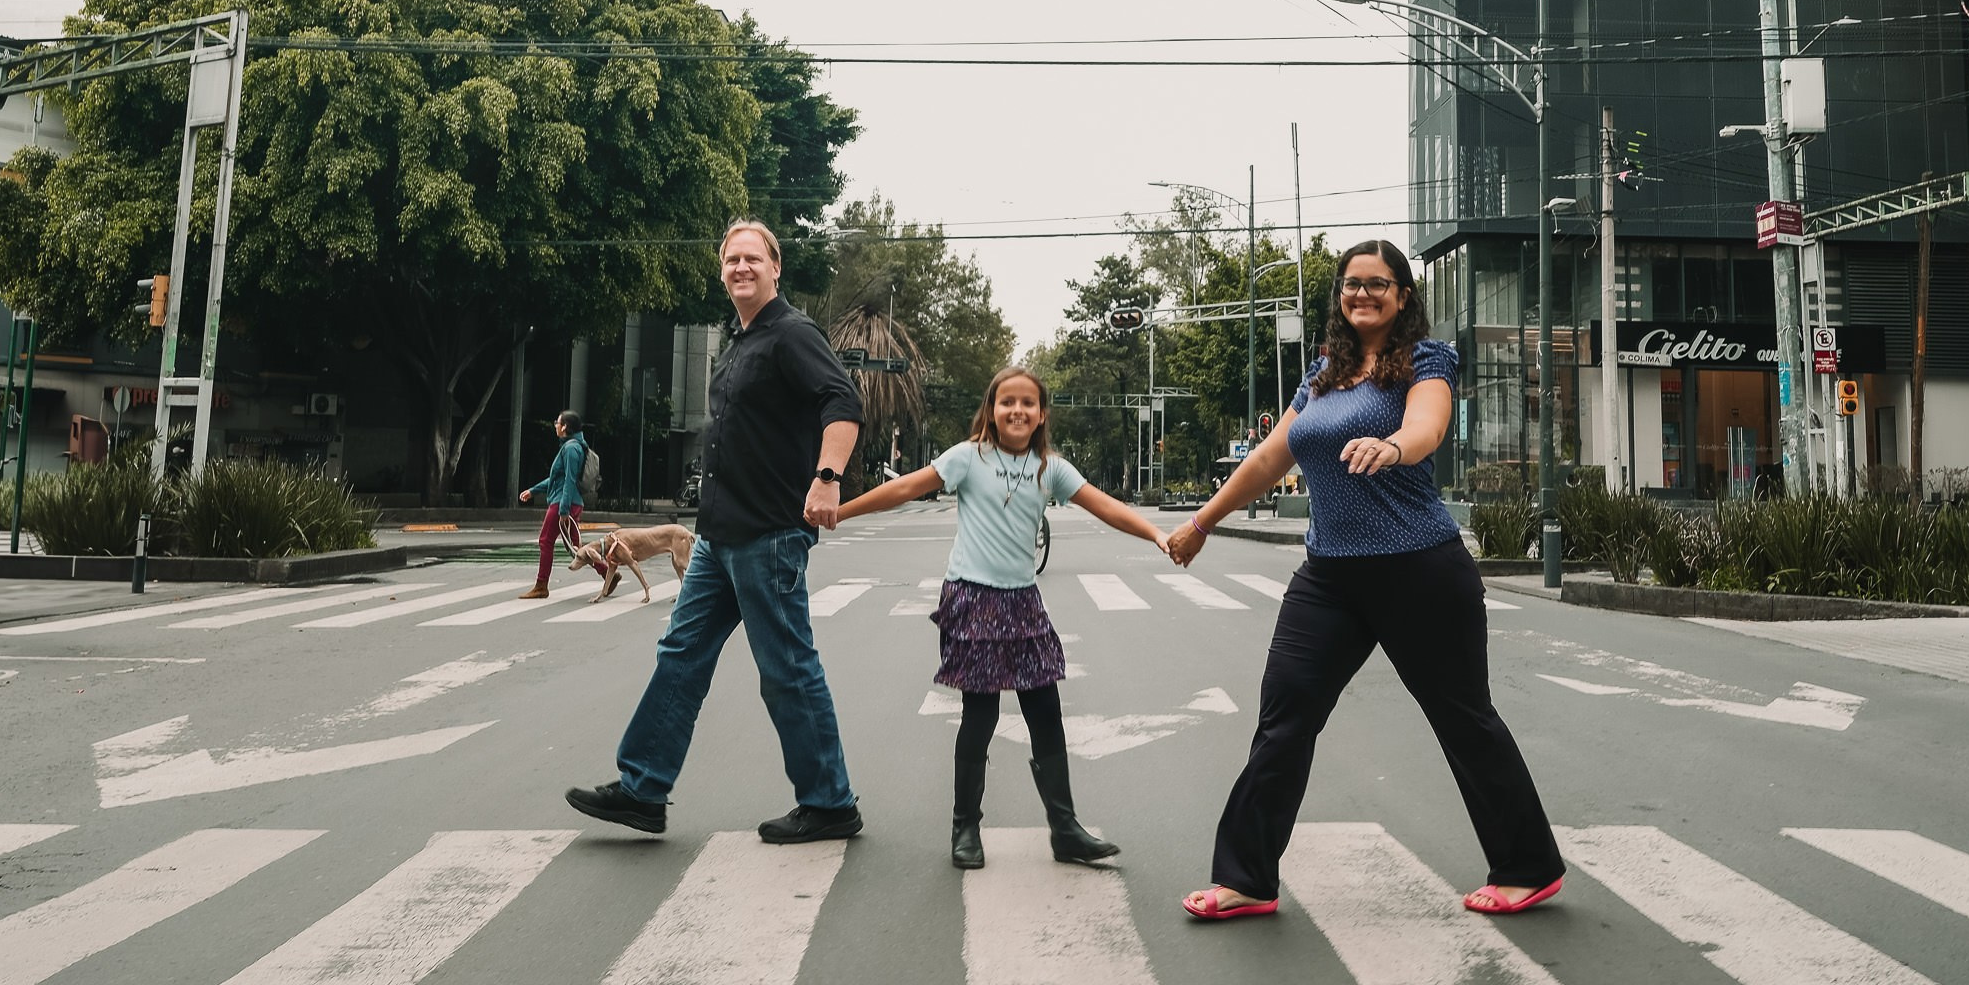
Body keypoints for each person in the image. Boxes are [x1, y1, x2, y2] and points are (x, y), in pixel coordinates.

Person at [1169, 239, 1566, 921]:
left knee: (1464, 719)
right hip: (1329, 577)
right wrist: (1202, 522)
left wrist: (1393, 446)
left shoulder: (1426, 360)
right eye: (1351, 284)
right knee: (1284, 718)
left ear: (1403, 294)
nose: (1362, 294)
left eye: (1377, 283)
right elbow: (1269, 459)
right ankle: (1247, 878)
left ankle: (1528, 866)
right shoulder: (1323, 374)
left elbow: (1427, 426)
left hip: (1419, 570)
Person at [565, 219, 866, 844]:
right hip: (717, 538)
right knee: (680, 655)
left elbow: (842, 402)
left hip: (770, 534)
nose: (741, 268)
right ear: (722, 271)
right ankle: (644, 788)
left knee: (786, 668)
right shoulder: (737, 343)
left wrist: (827, 478)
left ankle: (830, 802)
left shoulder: (792, 334)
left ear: (775, 267)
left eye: (753, 258)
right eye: (732, 260)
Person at [835, 365, 1168, 869]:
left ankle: (1065, 829)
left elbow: (1104, 506)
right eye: (1006, 401)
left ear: (1042, 414)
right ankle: (965, 828)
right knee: (981, 715)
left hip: (1022, 601)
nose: (1017, 410)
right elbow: (905, 489)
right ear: (991, 410)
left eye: (1027, 403)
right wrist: (842, 511)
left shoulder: (1050, 467)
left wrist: (1158, 535)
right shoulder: (967, 458)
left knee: (1045, 711)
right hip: (973, 599)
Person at [519, 410, 607, 600]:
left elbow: (569, 480)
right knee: (576, 548)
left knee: (545, 541)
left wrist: (563, 509)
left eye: (557, 423)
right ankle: (607, 573)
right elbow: (557, 478)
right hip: (572, 501)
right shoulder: (574, 446)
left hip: (563, 501)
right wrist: (533, 490)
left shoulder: (571, 449)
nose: (556, 426)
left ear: (565, 426)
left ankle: (541, 585)